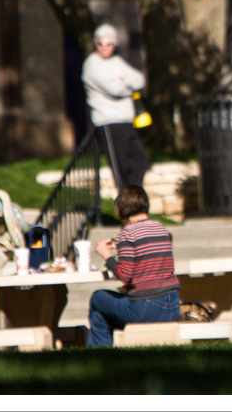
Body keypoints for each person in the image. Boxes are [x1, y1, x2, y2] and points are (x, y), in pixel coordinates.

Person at [86, 185, 180, 347]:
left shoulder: (127, 233)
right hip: (172, 306)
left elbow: (124, 275)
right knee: (100, 317)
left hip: (144, 307)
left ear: (121, 210)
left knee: (97, 298)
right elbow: (148, 257)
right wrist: (119, 245)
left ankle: (98, 358)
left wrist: (106, 255)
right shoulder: (160, 228)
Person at [81, 23, 151, 190]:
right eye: (100, 43)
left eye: (109, 43)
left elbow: (139, 80)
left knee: (140, 161)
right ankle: (126, 202)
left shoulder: (117, 61)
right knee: (121, 168)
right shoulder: (92, 64)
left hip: (126, 121)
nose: (105, 47)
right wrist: (125, 85)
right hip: (108, 123)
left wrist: (123, 83)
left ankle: (134, 198)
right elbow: (114, 89)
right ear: (95, 43)